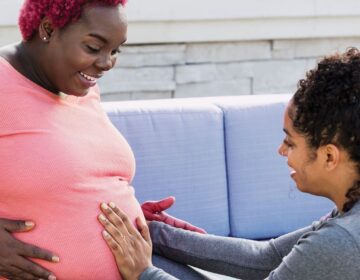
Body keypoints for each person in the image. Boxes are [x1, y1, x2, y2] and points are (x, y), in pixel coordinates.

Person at [98, 48, 360, 279]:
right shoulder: (348, 213)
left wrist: (144, 274)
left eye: (290, 143)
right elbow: (265, 258)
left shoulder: (338, 243)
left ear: (329, 156)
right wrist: (156, 234)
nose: (281, 151)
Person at [0, 1, 205, 279]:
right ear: (48, 29)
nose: (107, 63)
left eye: (115, 50)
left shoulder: (79, 87)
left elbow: (71, 180)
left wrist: (128, 215)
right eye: (94, 48)